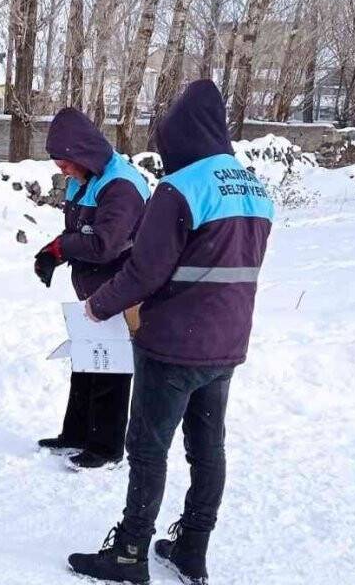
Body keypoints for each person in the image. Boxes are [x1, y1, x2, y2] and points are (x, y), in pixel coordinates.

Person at [65, 80, 274, 584]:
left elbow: (145, 270)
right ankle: (192, 549)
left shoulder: (181, 188)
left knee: (148, 447)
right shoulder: (255, 189)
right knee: (208, 448)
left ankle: (130, 553)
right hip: (227, 343)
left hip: (174, 344)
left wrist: (99, 305)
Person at [34, 107, 150, 471]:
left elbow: (104, 244)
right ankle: (76, 434)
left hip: (122, 289)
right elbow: (78, 232)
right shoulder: (83, 179)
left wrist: (63, 248)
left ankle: (106, 447)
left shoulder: (121, 185)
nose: (63, 171)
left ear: (83, 153)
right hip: (93, 288)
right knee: (87, 359)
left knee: (110, 365)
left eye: (66, 163)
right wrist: (53, 252)